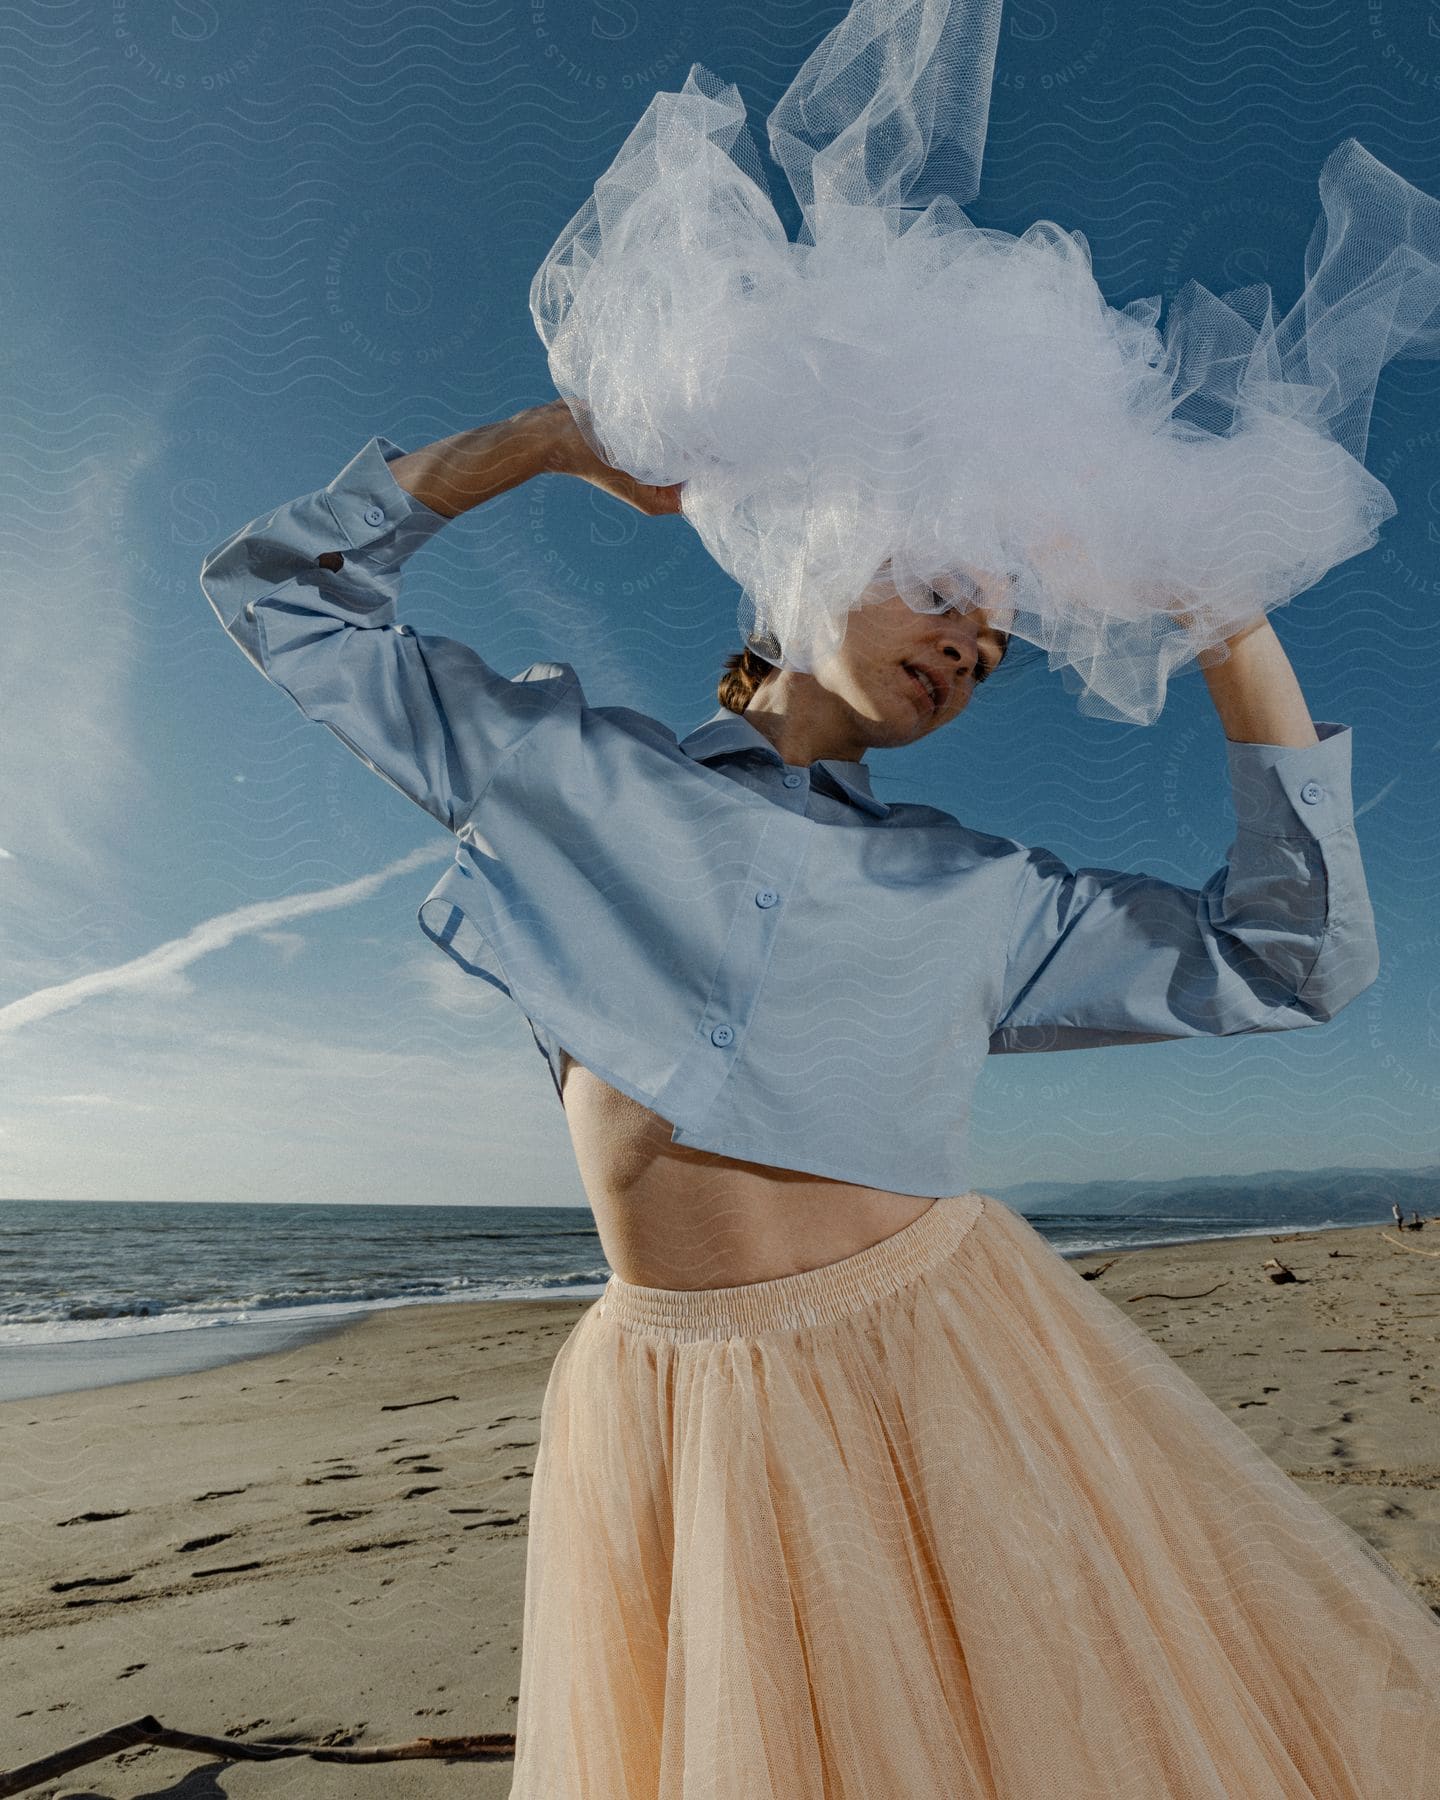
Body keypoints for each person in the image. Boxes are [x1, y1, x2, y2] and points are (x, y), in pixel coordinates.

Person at [200, 401, 1440, 1798]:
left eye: (987, 656)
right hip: (674, 1400)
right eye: (941, 599)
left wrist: (1224, 624)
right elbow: (277, 590)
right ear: (804, 566)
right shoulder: (561, 773)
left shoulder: (983, 893)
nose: (967, 654)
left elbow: (1293, 958)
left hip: (951, 1373)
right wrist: (550, 443)